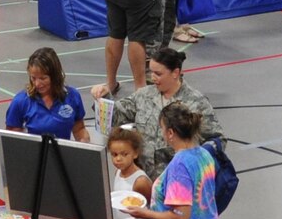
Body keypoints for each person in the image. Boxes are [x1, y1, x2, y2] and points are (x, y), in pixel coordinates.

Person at [92, 45, 223, 179]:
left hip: (178, 180)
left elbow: (217, 139)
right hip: (143, 177)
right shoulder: (143, 95)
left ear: (175, 73)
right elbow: (116, 117)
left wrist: (195, 159)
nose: (152, 77)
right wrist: (104, 97)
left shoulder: (196, 103)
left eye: (158, 74)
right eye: (151, 72)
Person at [5, 46, 90, 142]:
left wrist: (84, 143)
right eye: (33, 78)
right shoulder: (20, 101)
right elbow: (11, 140)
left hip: (63, 156)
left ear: (55, 76)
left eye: (43, 78)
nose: (37, 84)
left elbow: (79, 129)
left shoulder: (73, 96)